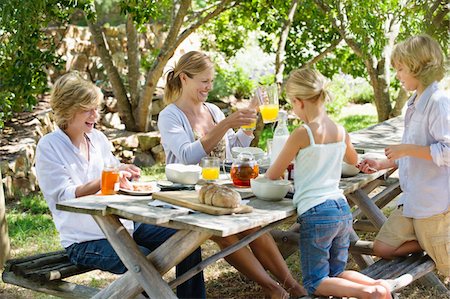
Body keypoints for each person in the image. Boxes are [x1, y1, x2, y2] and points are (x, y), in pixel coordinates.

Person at [35, 72, 205, 298]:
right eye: (88, 109)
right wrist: (109, 176)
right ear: (67, 109)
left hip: (124, 226)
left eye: (96, 108)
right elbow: (63, 197)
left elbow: (113, 174)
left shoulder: (97, 139)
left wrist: (125, 174)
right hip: (84, 240)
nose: (95, 115)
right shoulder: (49, 147)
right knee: (142, 262)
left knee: (187, 239)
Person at [158, 51, 306, 299]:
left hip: (221, 190)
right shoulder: (170, 115)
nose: (209, 87)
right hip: (186, 197)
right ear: (184, 78)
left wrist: (249, 117)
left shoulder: (213, 110)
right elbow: (186, 155)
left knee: (253, 226)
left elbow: (232, 149)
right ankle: (274, 289)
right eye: (204, 81)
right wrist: (226, 123)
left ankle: (293, 287)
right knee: (224, 233)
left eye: (211, 81)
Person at [265, 67, 392, 298]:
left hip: (316, 213)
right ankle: (380, 288)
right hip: (341, 209)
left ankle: (370, 292)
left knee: (316, 283)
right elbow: (354, 162)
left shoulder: (303, 133)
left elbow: (273, 174)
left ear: (298, 101)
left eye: (292, 105)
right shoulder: (340, 130)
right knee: (336, 275)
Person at [358, 34, 449, 278]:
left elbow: (448, 152)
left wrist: (406, 149)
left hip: (432, 203)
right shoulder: (414, 102)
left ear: (419, 68)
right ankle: (427, 242)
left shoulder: (438, 102)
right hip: (412, 199)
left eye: (400, 69)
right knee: (382, 248)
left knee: (447, 265)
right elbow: (413, 151)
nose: (397, 74)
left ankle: (438, 241)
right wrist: (384, 162)